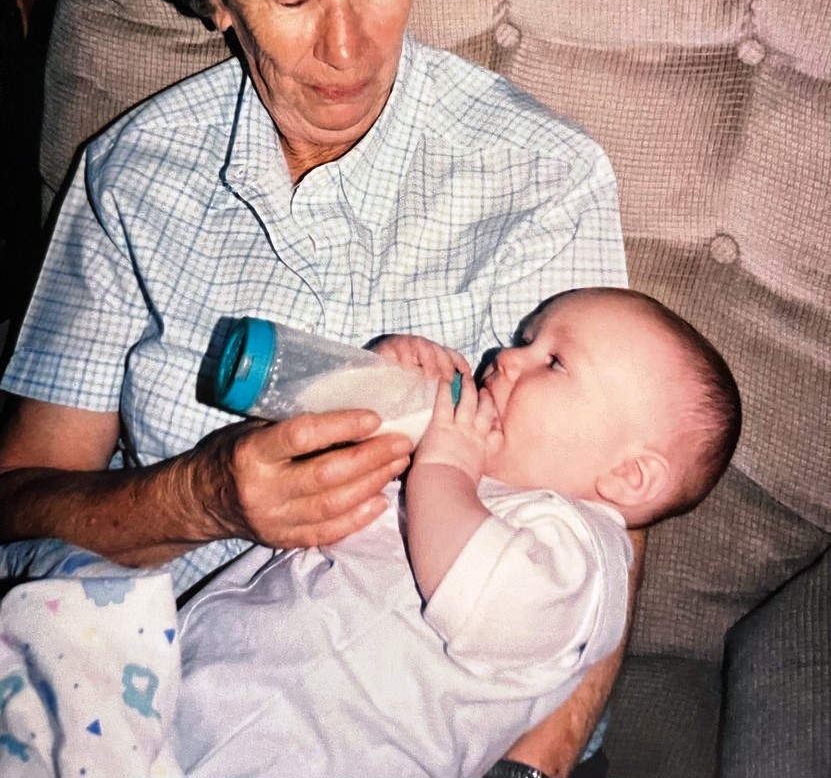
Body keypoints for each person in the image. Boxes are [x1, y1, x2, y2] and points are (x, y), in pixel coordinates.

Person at [0, 0, 629, 777]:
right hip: (133, 703)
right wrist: (201, 498)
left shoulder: (541, 178)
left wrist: (537, 766)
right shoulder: (132, 178)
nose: (346, 48)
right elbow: (21, 493)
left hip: (421, 730)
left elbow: (612, 513)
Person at [0, 288, 740, 778]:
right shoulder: (464, 478)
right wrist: (377, 379)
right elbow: (320, 474)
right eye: (523, 339)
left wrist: (446, 461)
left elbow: (478, 589)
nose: (504, 358)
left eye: (552, 362)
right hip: (173, 698)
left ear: (628, 477)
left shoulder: (581, 551)